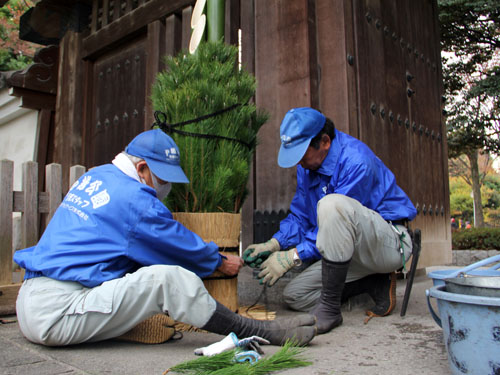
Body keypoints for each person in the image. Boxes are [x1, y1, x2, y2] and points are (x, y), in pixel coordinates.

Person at [13, 129, 316, 347]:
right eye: (163, 178)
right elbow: (175, 241)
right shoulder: (134, 199)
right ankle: (256, 330)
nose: (166, 186)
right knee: (166, 280)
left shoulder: (97, 175)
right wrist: (220, 260)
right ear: (142, 168)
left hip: (33, 298)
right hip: (58, 311)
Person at [243, 107, 417, 334]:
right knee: (295, 295)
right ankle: (373, 284)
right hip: (347, 253)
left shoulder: (356, 161)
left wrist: (293, 257)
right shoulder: (307, 168)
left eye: (302, 154)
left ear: (324, 141)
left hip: (389, 244)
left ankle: (331, 310)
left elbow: (335, 220)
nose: (299, 163)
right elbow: (300, 216)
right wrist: (274, 244)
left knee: (332, 205)